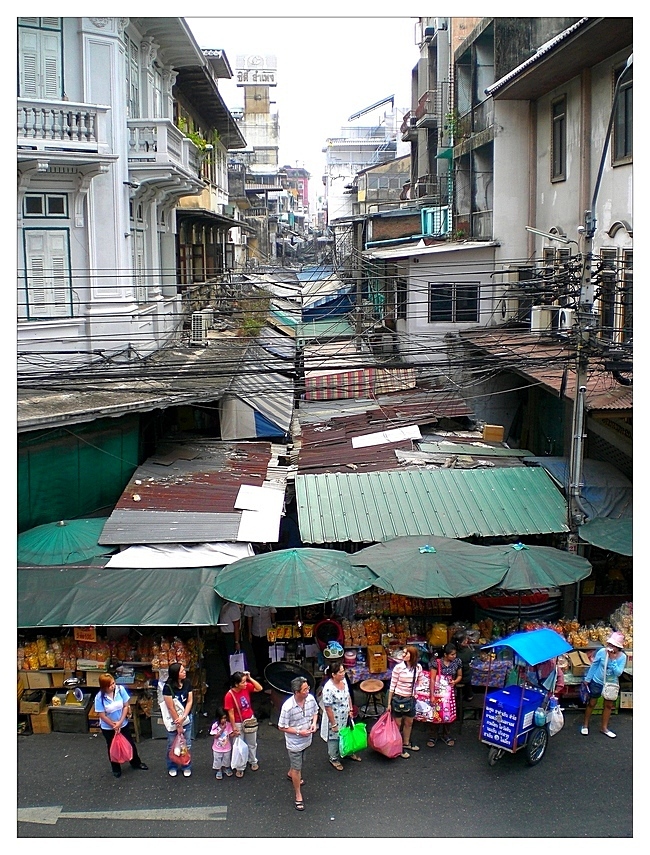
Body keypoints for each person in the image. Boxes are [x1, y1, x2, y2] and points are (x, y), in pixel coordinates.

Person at [94, 673, 148, 778]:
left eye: (113, 683)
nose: (113, 686)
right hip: (108, 727)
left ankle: (136, 763)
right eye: (110, 685)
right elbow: (102, 715)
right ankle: (116, 768)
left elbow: (126, 706)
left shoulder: (120, 690)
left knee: (130, 743)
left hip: (122, 724)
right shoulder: (99, 698)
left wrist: (120, 722)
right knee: (112, 746)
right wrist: (113, 725)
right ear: (104, 687)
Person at [278, 676, 319, 811]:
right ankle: (298, 795)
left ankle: (291, 773)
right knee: (298, 768)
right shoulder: (287, 707)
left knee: (301, 761)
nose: (307, 691)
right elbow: (282, 726)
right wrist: (298, 732)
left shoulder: (311, 699)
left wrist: (313, 724)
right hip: (294, 742)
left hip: (307, 740)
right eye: (304, 689)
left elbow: (315, 712)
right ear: (296, 692)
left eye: (307, 688)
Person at [581, 631, 627, 738]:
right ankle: (585, 725)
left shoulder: (622, 657)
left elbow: (618, 673)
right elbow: (594, 666)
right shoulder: (601, 652)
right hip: (597, 681)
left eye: (614, 646)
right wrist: (588, 679)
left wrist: (613, 660)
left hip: (611, 684)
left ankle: (604, 728)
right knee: (591, 703)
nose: (610, 647)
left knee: (608, 705)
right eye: (610, 645)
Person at [319, 661, 362, 770]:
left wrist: (351, 709)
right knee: (334, 738)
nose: (343, 674)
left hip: (346, 715)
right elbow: (328, 708)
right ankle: (334, 758)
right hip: (335, 717)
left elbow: (348, 696)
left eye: (343, 671)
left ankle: (348, 752)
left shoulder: (344, 681)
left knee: (347, 734)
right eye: (340, 672)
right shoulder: (328, 688)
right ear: (333, 674)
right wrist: (333, 724)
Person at [224, 669, 263, 777]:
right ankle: (240, 766)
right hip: (238, 722)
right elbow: (231, 713)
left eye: (245, 681)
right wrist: (233, 727)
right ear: (236, 684)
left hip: (249, 719)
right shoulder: (229, 695)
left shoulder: (246, 688)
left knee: (252, 743)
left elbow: (259, 688)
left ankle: (253, 760)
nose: (245, 684)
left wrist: (249, 678)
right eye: (243, 682)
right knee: (239, 745)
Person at [386, 645, 423, 758]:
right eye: (403, 653)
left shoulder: (418, 668)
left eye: (406, 653)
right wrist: (389, 703)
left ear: (412, 656)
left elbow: (420, 683)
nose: (403, 655)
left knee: (409, 722)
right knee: (397, 724)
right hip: (398, 698)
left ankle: (406, 743)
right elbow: (392, 685)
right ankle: (397, 746)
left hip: (410, 698)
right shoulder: (398, 668)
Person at [162, 662, 194, 778]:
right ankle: (172, 766)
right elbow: (170, 707)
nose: (184, 672)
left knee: (187, 744)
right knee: (172, 745)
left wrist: (184, 716)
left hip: (186, 718)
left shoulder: (187, 683)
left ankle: (186, 765)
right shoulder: (168, 687)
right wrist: (178, 723)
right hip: (174, 720)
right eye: (181, 671)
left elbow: (190, 701)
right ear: (175, 674)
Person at [427, 643, 462, 747]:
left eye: (455, 654)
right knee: (436, 713)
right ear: (445, 655)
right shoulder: (436, 663)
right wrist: (432, 695)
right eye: (452, 654)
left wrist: (455, 681)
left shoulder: (457, 662)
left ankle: (446, 734)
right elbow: (432, 679)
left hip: (450, 693)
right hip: (438, 693)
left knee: (448, 714)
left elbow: (460, 675)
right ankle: (433, 735)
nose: (454, 656)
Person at [244, 605, 276, 679]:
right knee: (257, 653)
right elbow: (249, 619)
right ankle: (260, 672)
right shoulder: (250, 605)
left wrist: (274, 624)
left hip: (267, 632)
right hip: (255, 632)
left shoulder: (268, 604)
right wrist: (249, 633)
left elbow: (272, 613)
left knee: (265, 653)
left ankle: (266, 673)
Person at [210, 706, 234, 780]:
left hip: (227, 747)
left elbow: (230, 735)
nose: (224, 720)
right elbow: (215, 736)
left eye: (225, 718)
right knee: (217, 759)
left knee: (226, 758)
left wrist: (235, 734)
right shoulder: (215, 725)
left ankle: (226, 768)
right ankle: (219, 770)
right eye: (222, 718)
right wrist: (222, 730)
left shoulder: (228, 724)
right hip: (217, 748)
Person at [451, 630, 475, 701]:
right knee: (468, 679)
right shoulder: (468, 651)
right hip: (464, 677)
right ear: (462, 642)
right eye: (465, 639)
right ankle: (469, 695)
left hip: (454, 677)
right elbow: (470, 659)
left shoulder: (452, 651)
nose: (467, 640)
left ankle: (457, 696)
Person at [220, 600, 242, 671]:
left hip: (231, 635)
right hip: (224, 635)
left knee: (233, 659)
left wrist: (236, 641)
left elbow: (236, 626)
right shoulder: (225, 606)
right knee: (226, 658)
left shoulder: (233, 607)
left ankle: (235, 677)